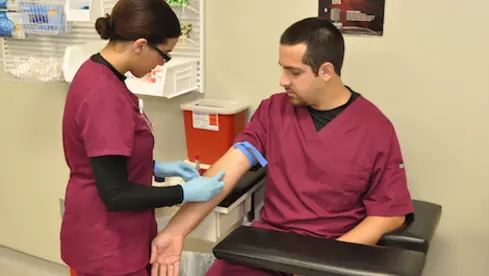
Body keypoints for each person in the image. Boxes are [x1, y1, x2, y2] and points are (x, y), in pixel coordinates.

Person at [148, 17, 415, 276]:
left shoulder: (375, 129)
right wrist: (175, 231)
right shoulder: (274, 111)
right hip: (269, 248)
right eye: (282, 68)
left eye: (294, 72)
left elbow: (389, 215)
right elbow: (224, 174)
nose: (283, 80)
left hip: (334, 253)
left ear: (326, 71)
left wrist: (321, 264)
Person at [60, 1, 225, 276]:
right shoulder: (105, 95)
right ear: (139, 45)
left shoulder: (97, 72)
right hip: (108, 243)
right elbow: (116, 194)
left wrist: (156, 166)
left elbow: (103, 155)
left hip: (107, 232)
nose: (161, 63)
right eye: (165, 54)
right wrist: (184, 193)